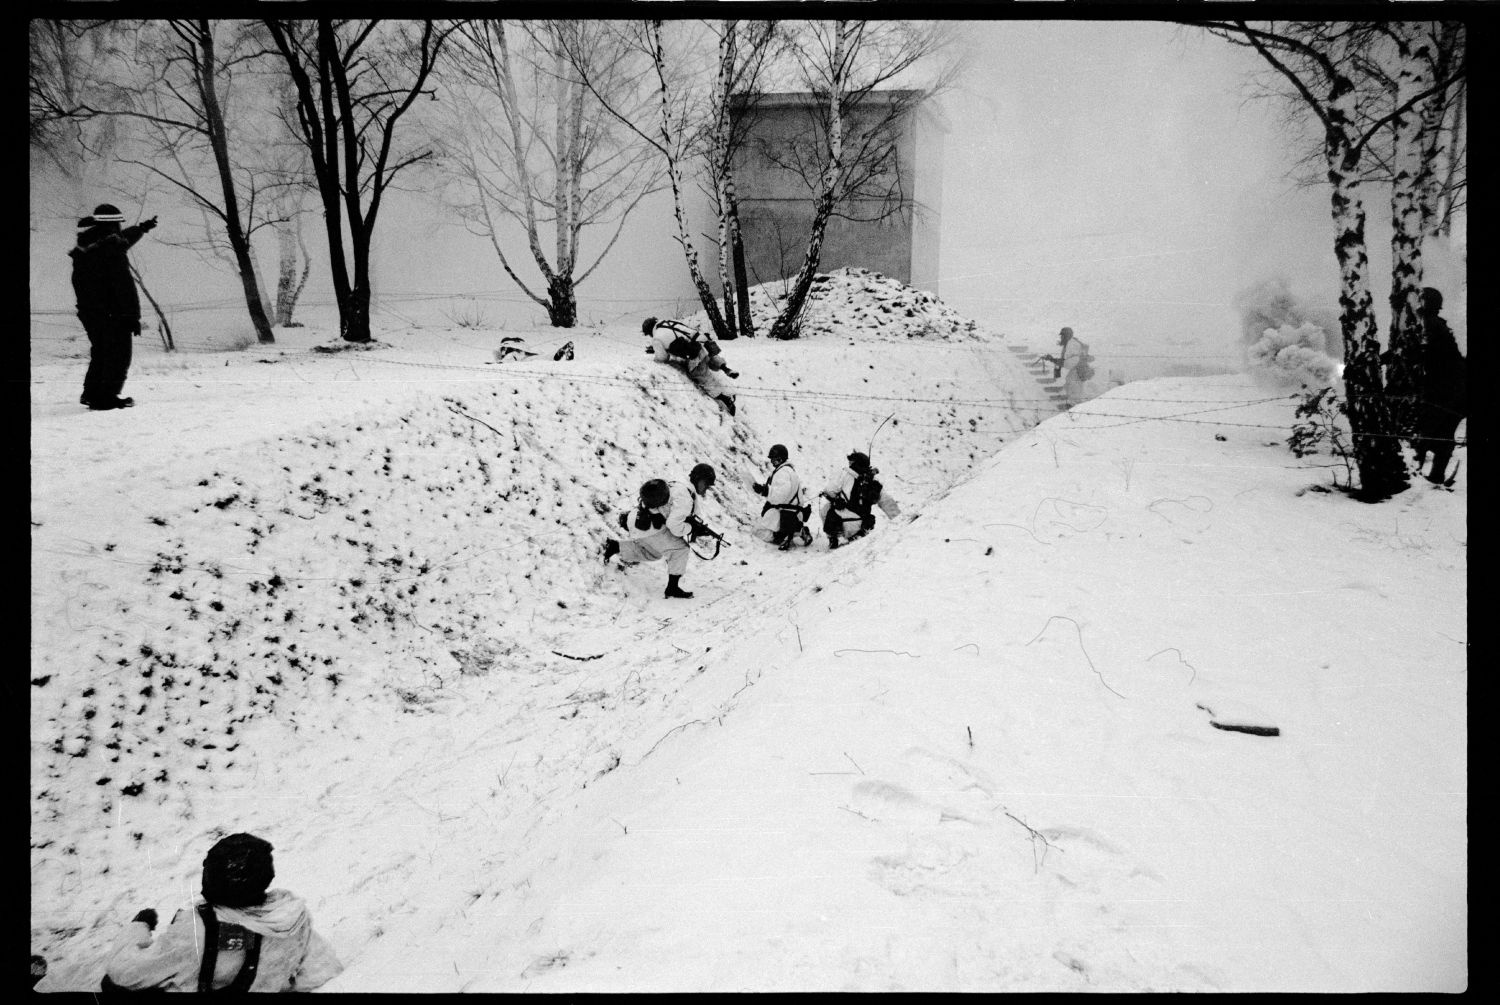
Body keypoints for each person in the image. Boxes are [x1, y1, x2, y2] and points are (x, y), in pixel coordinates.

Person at [100, 832, 342, 993]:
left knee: (110, 985)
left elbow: (124, 971)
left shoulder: (196, 931)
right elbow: (321, 970)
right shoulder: (292, 917)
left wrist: (138, 926)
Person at [71, 204, 158, 411]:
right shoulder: (111, 252)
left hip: (89, 312)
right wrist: (131, 316)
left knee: (101, 352)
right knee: (118, 355)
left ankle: (91, 394)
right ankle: (105, 398)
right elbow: (123, 287)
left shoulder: (89, 245)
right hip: (111, 314)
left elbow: (123, 240)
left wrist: (142, 228)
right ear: (113, 225)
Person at [602, 463, 720, 598]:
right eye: (707, 485)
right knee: (680, 549)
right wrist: (691, 528)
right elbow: (674, 526)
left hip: (638, 521)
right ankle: (672, 588)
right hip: (650, 527)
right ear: (700, 480)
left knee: (653, 553)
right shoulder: (685, 497)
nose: (706, 490)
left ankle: (615, 546)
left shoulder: (678, 485)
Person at [1411, 287, 1467, 484]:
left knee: (1427, 430)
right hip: (1454, 389)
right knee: (1443, 434)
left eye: (1420, 301)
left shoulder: (1430, 326)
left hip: (1446, 390)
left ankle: (1418, 475)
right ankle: (1434, 476)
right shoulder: (1435, 325)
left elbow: (1409, 350)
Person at [642, 316, 739, 415]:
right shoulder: (669, 322)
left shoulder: (656, 338)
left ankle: (726, 398)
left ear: (649, 331)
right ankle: (724, 367)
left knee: (703, 379)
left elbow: (662, 358)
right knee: (709, 358)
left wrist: (656, 351)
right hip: (700, 345)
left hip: (694, 357)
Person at [818, 450, 899, 550]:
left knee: (825, 509)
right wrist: (899, 520)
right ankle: (860, 533)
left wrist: (836, 500)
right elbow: (887, 501)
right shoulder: (873, 481)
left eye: (851, 462)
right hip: (863, 523)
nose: (849, 464)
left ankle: (834, 538)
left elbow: (829, 490)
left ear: (854, 463)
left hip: (844, 523)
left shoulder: (845, 474)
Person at [752, 444, 811, 550]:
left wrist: (765, 491)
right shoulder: (789, 471)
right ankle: (798, 531)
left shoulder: (782, 472)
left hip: (784, 511)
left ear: (779, 459)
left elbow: (781, 496)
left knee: (758, 531)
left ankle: (783, 536)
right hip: (794, 513)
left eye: (773, 459)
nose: (772, 462)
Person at [1040, 326, 1095, 409]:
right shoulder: (1070, 343)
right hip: (1076, 369)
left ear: (1067, 335)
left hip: (1078, 370)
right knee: (1069, 384)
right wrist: (1052, 359)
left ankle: (1074, 407)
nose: (1061, 337)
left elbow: (1069, 362)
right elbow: (1066, 360)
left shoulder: (1072, 344)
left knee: (1073, 386)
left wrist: (1053, 360)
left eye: (1062, 335)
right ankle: (1073, 405)